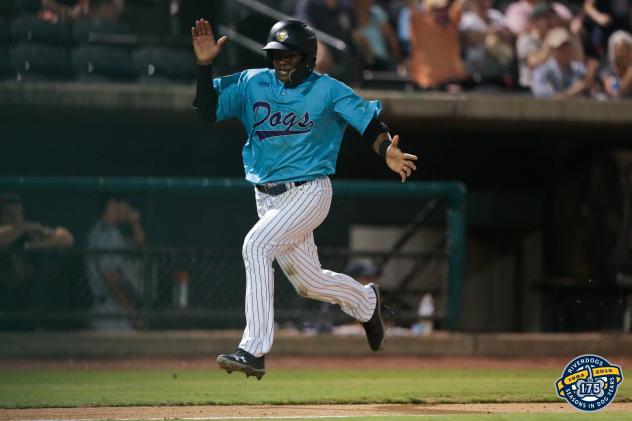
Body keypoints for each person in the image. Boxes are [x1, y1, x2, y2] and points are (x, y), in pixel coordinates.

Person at [191, 18, 418, 380]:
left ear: (308, 58)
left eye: (289, 55)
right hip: (265, 197)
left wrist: (386, 150)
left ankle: (254, 349)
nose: (281, 61)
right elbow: (205, 110)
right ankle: (366, 302)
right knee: (308, 283)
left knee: (255, 245)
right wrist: (205, 67)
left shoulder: (327, 89)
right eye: (276, 55)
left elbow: (369, 123)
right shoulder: (253, 82)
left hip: (309, 191)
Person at [0, 193, 74, 328]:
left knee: (53, 264)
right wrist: (21, 228)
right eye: (10, 215)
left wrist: (31, 246)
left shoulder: (29, 232)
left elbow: (67, 238)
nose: (16, 217)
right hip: (5, 303)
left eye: (18, 213)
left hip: (27, 300)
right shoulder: (12, 232)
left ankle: (45, 323)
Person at [86, 194, 145, 331]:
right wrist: (131, 313)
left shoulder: (99, 231)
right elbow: (111, 279)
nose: (127, 210)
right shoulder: (109, 236)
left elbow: (140, 245)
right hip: (112, 310)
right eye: (124, 205)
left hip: (108, 308)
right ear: (111, 204)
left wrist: (135, 223)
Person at [408, 0, 468, 90]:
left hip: (455, 81)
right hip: (428, 85)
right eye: (438, 9)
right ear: (429, 11)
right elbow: (410, 4)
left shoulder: (452, 20)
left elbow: (463, 3)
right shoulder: (421, 23)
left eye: (445, 8)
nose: (443, 12)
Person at [531, 27, 599, 98]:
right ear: (551, 50)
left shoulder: (579, 69)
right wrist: (575, 90)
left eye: (567, 46)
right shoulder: (541, 73)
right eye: (560, 47)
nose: (565, 51)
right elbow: (548, 100)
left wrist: (590, 79)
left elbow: (593, 93)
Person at [459, 0, 514, 85]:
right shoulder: (467, 19)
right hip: (476, 71)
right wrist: (492, 32)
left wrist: (502, 34)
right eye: (478, 1)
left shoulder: (496, 15)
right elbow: (469, 38)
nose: (482, 3)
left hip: (498, 70)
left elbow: (509, 35)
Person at [353, 0, 405, 72]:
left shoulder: (377, 13)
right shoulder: (350, 17)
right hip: (361, 65)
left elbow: (391, 39)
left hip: (383, 62)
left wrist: (399, 63)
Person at [601, 30, 632, 97]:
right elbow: (613, 93)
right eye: (620, 50)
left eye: (627, 50)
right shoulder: (608, 70)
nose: (624, 54)